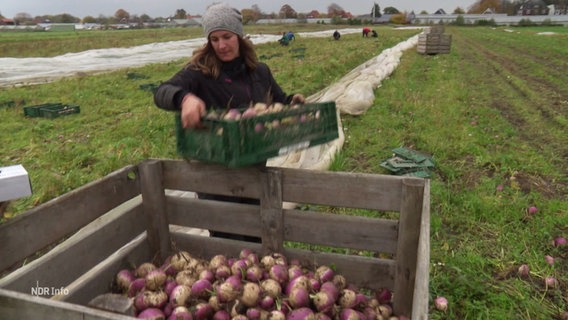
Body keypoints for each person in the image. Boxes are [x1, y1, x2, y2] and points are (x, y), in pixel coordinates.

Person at [153, 3, 305, 242]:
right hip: (216, 175)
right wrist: (185, 98)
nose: (221, 46)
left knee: (259, 235)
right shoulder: (198, 73)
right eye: (214, 39)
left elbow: (279, 100)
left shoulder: (259, 72)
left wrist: (292, 102)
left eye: (227, 37)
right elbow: (162, 91)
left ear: (239, 36)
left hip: (254, 167)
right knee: (228, 242)